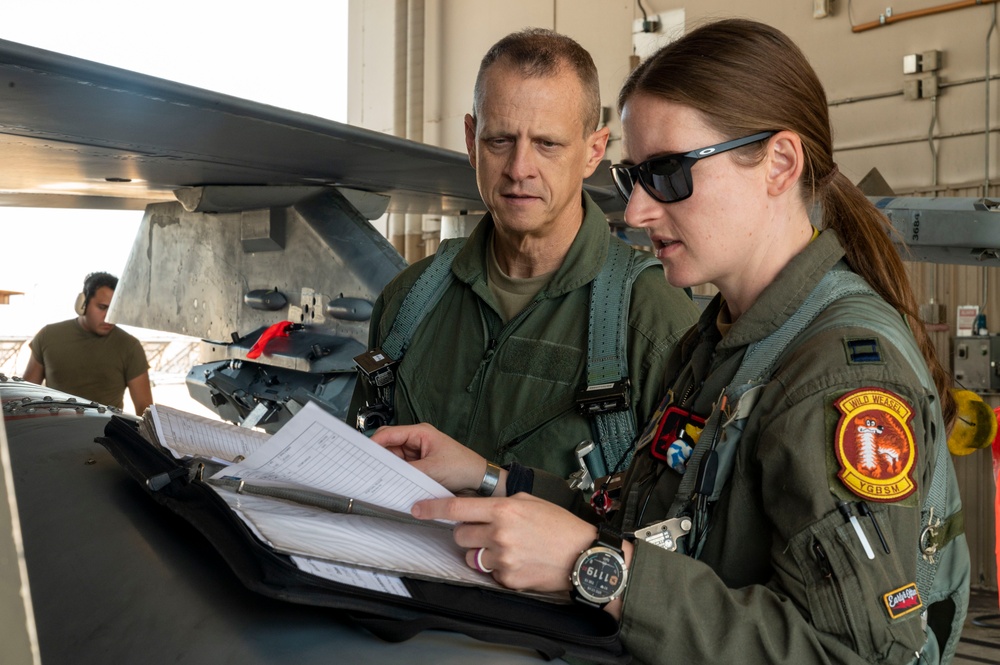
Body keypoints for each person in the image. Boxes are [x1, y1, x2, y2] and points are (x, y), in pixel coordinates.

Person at [370, 18, 971, 665]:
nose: (636, 212)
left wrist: (594, 566)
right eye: (637, 178)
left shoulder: (836, 375)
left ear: (779, 164)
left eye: (672, 174)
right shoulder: (725, 342)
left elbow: (856, 655)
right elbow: (653, 520)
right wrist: (487, 477)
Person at [349, 29, 699, 481]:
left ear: (593, 152)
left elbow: (668, 529)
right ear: (472, 139)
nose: (519, 169)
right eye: (499, 140)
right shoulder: (407, 303)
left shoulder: (654, 323)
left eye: (547, 144)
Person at [24, 271, 153, 414]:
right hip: (53, 431)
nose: (109, 316)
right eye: (102, 307)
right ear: (82, 304)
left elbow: (144, 408)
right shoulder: (48, 336)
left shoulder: (130, 347)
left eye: (114, 309)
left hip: (106, 434)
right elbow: (25, 395)